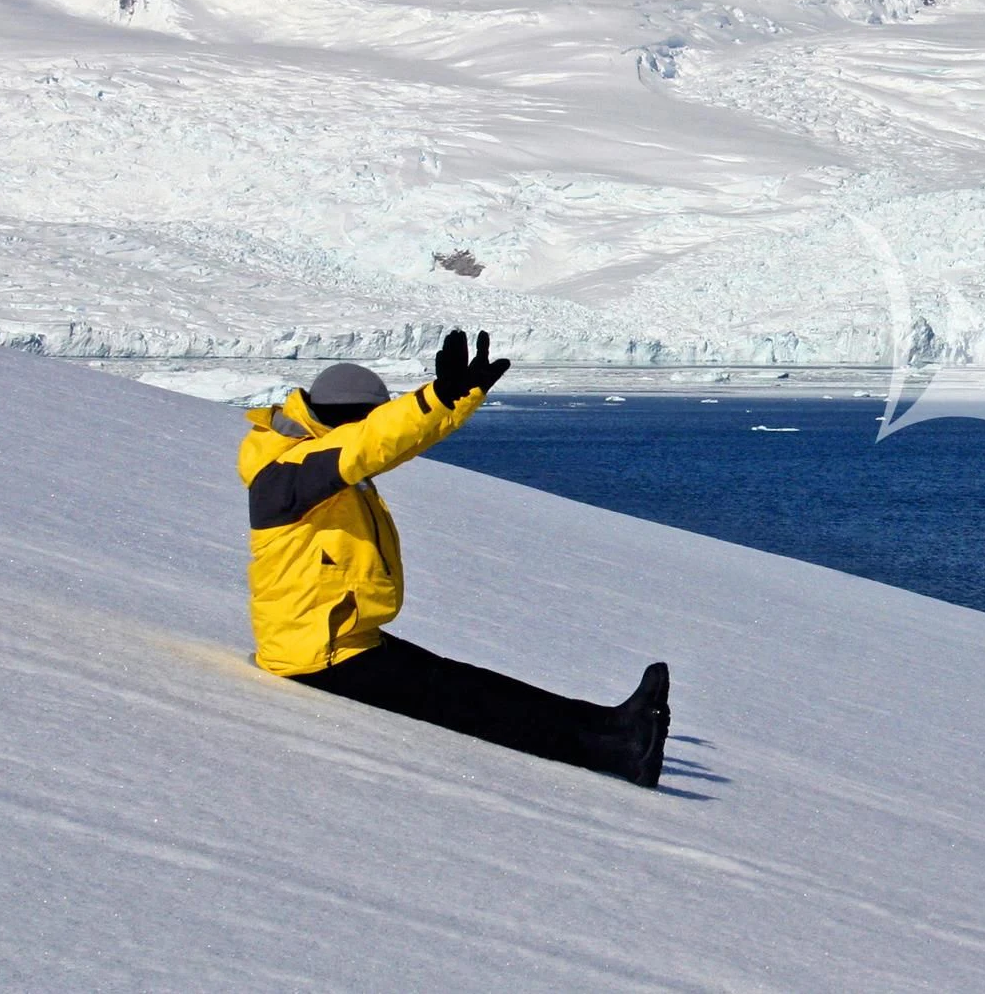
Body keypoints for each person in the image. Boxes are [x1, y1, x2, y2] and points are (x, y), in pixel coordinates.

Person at [237, 327, 669, 787]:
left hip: (336, 638)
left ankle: (614, 725)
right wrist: (435, 397)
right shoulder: (290, 473)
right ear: (348, 418)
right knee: (469, 703)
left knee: (473, 684)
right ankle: (619, 753)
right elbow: (374, 440)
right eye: (367, 418)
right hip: (316, 654)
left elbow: (390, 442)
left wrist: (458, 399)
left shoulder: (308, 461)